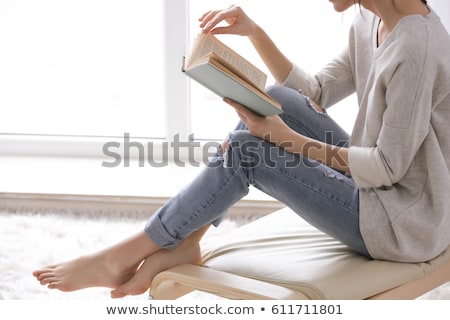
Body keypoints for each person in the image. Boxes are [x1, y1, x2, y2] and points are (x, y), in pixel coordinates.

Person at [33, 0, 450, 298]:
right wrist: (254, 32)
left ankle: (132, 251)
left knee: (247, 150)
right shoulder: (369, 17)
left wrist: (286, 140)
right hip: (381, 191)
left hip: (403, 223)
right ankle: (183, 242)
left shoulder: (416, 47)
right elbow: (315, 92)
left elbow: (386, 167)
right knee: (276, 98)